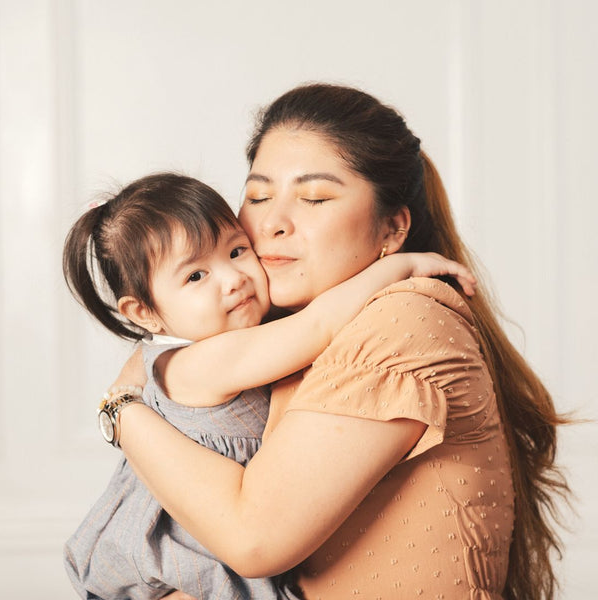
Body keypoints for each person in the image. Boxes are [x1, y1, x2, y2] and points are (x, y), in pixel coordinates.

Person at [112, 84, 570, 600]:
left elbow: (254, 540)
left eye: (314, 198)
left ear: (393, 229)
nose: (272, 223)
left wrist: (121, 410)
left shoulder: (402, 321)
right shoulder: (276, 337)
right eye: (258, 196)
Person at [62, 172, 474, 599]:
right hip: (180, 571)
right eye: (196, 277)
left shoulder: (219, 346)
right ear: (145, 313)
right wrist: (400, 265)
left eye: (237, 251)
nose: (233, 278)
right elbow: (317, 325)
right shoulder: (199, 363)